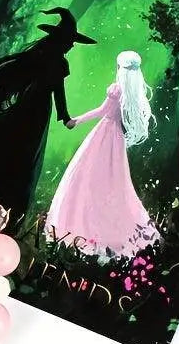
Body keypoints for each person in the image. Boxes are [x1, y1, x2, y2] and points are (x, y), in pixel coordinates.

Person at [0, 7, 95, 221]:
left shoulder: (43, 55)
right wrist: (65, 116)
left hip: (31, 103)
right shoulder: (57, 62)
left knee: (11, 138)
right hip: (37, 108)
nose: (72, 45)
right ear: (62, 40)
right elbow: (58, 90)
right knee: (22, 146)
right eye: (70, 40)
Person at [45, 50, 160, 258]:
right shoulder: (131, 94)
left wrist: (75, 121)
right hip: (116, 140)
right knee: (113, 180)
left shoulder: (117, 90)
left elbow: (101, 111)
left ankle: (80, 223)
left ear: (120, 68)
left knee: (87, 175)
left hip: (104, 135)